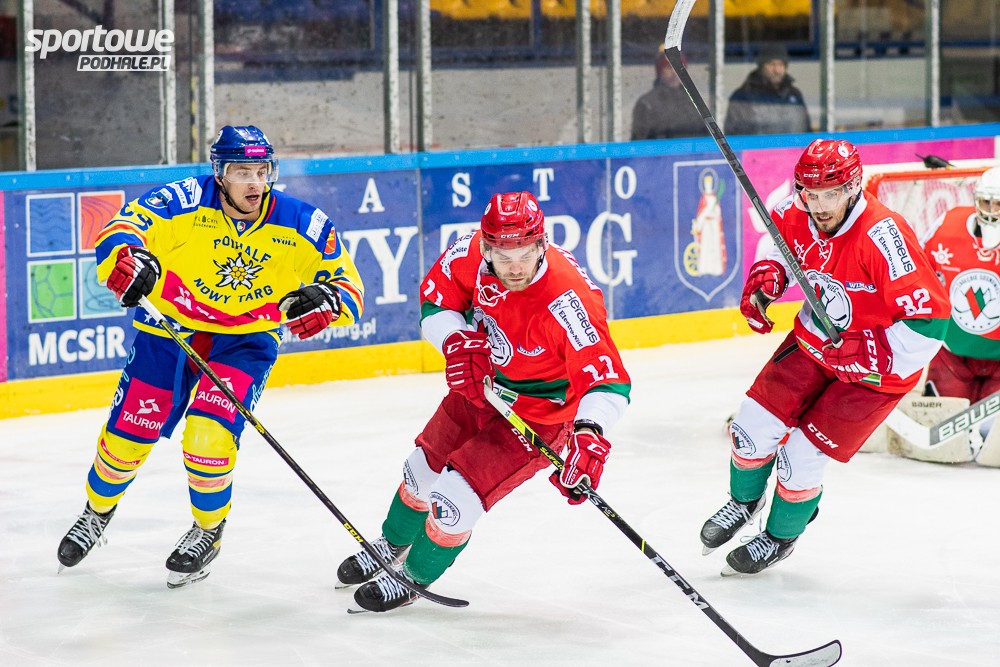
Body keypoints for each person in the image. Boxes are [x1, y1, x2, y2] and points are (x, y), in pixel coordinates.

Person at [56, 125, 365, 588]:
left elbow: (350, 288)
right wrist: (129, 258)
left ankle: (208, 530)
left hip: (245, 342)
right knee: (126, 439)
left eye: (261, 171)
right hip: (168, 331)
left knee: (208, 438)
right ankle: (96, 512)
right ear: (219, 173)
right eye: (242, 172)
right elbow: (121, 229)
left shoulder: (303, 222)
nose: (255, 183)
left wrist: (328, 300)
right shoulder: (183, 200)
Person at [335, 191, 631, 612]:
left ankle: (412, 577)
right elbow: (435, 303)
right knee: (419, 473)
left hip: (539, 416)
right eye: (503, 256)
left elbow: (608, 379)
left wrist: (589, 430)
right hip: (479, 390)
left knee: (453, 501)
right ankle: (391, 544)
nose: (515, 267)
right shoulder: (469, 253)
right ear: (486, 246)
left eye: (525, 254)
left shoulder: (569, 300)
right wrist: (455, 340)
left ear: (542, 244)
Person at [700, 138, 950, 576]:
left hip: (875, 376)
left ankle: (780, 536)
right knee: (751, 427)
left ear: (852, 187)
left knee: (800, 457)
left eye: (829, 194)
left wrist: (871, 350)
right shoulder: (797, 209)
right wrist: (769, 278)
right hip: (814, 345)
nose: (817, 205)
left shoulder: (882, 235)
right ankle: (744, 502)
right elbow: (783, 246)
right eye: (810, 193)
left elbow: (931, 322)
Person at [919, 166, 1000, 442]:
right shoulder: (947, 225)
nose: (991, 211)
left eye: (999, 204)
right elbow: (918, 274)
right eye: (986, 202)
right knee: (943, 436)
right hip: (952, 355)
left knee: (991, 438)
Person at [724, 43, 810, 136]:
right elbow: (733, 134)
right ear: (761, 66)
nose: (777, 70)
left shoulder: (794, 95)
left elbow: (806, 130)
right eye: (772, 64)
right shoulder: (743, 96)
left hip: (793, 146)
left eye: (781, 64)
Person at [630, 46, 706, 141]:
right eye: (669, 67)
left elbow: (706, 136)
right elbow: (639, 143)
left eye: (680, 67)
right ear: (659, 71)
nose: (675, 72)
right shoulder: (646, 104)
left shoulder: (694, 101)